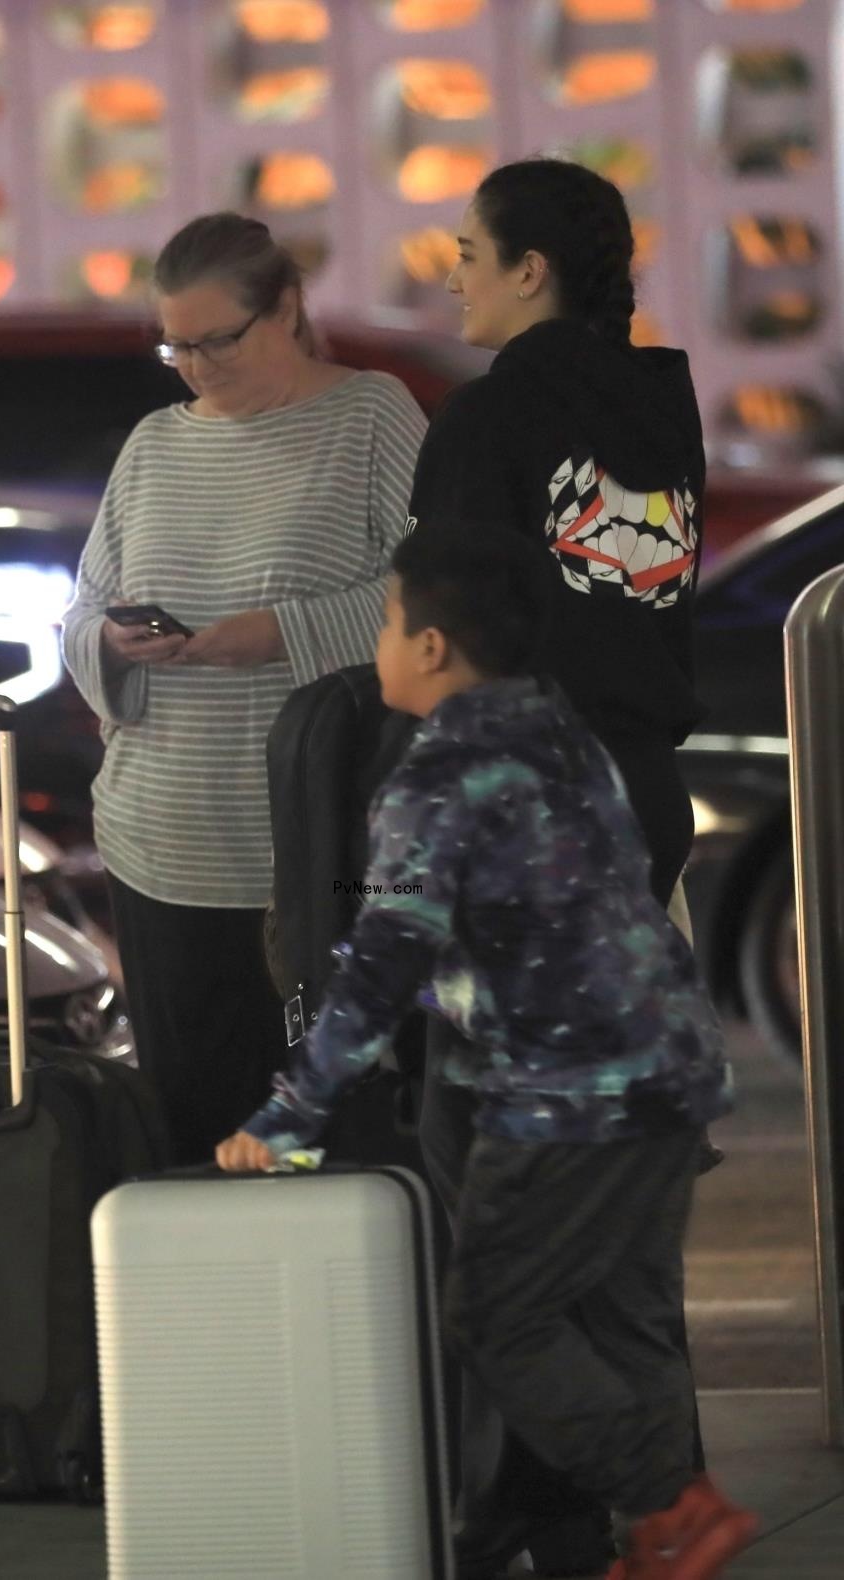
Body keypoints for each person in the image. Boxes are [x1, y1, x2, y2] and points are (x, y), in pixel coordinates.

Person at [216, 523, 756, 1580]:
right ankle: (662, 1539)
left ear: (430, 647)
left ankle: (671, 1506)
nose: (376, 644)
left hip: (567, 1094)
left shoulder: (437, 778)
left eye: (384, 621)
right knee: (627, 1312)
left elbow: (381, 964)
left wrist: (283, 1117)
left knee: (498, 1314)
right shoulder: (558, 730)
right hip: (667, 1069)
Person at [406, 156, 714, 1575]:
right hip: (639, 801)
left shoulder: (489, 423)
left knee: (497, 1196)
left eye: (468, 250)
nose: (449, 272)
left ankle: (563, 1504)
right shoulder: (660, 410)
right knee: (611, 1184)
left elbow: (446, 647)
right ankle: (605, 1492)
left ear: (530, 270)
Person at [60, 212, 427, 1165]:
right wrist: (109, 641)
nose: (193, 366)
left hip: (311, 844)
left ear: (288, 309)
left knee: (326, 1128)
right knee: (195, 1123)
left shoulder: (370, 416)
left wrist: (279, 634)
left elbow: (431, 595)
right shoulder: (154, 444)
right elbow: (81, 607)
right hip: (162, 838)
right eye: (174, 344)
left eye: (216, 340)